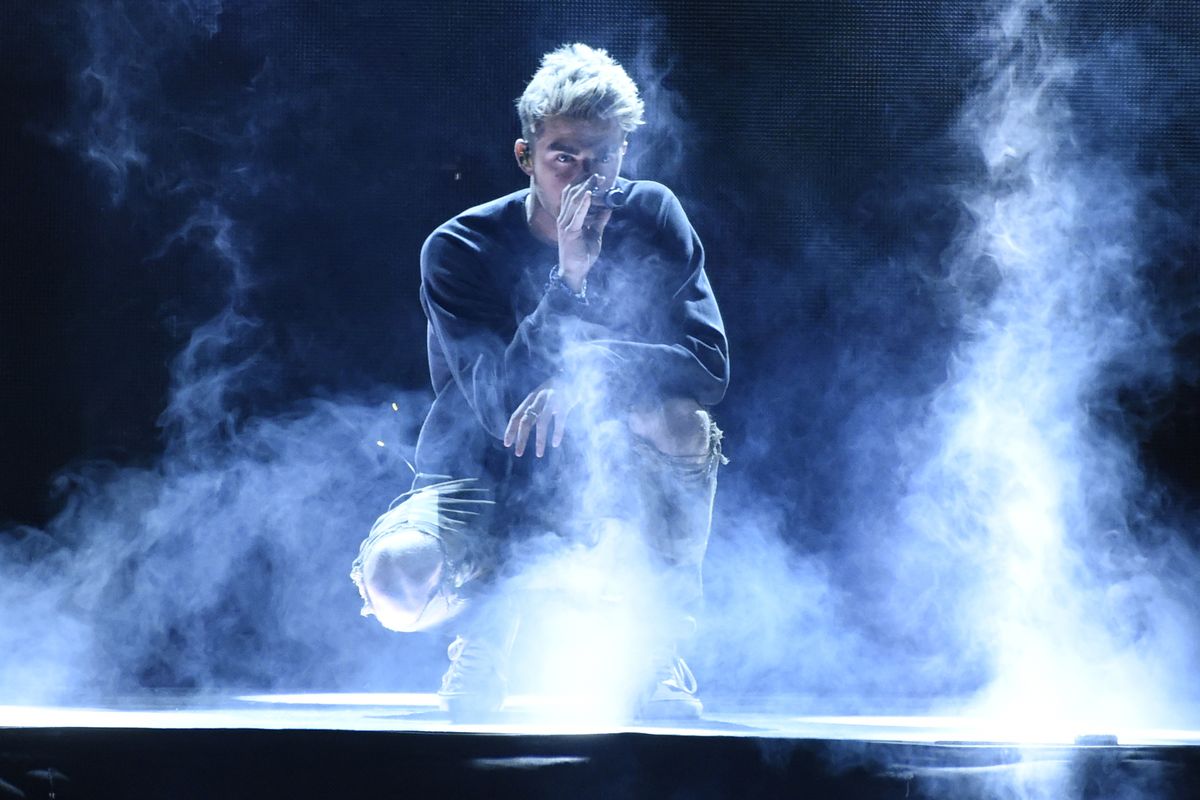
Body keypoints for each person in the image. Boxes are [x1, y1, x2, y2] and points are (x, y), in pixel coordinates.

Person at [350, 43, 728, 720]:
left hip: (606, 479)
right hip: (479, 473)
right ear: (526, 157)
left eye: (604, 158)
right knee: (396, 578)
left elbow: (706, 364)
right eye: (565, 158)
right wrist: (570, 276)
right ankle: (482, 639)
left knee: (680, 422)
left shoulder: (654, 216)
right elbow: (502, 410)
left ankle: (654, 650)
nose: (587, 180)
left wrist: (592, 375)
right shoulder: (459, 248)